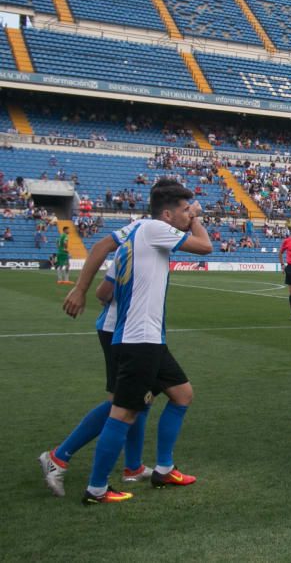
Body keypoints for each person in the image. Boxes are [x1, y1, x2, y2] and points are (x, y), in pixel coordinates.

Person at [62, 179, 213, 504]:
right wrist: (198, 217)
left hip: (148, 338)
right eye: (185, 210)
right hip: (138, 338)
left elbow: (105, 256)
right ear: (169, 214)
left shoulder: (141, 229)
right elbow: (205, 246)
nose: (190, 214)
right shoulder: (154, 229)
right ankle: (97, 488)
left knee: (182, 395)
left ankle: (162, 468)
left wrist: (83, 290)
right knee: (124, 412)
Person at [38, 258, 153, 497]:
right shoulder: (135, 244)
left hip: (135, 331)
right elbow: (103, 291)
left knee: (142, 398)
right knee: (123, 403)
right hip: (120, 331)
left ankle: (134, 466)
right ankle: (58, 457)